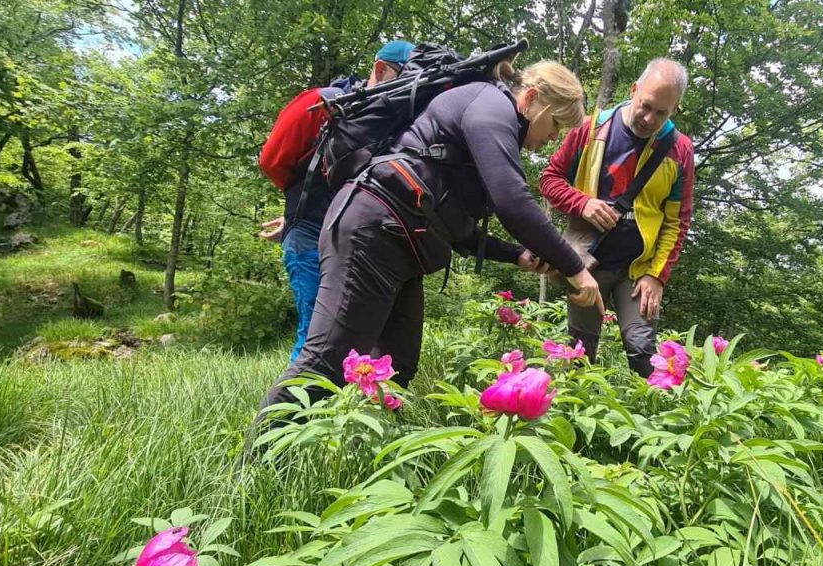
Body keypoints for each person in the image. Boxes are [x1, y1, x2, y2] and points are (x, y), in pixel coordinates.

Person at [259, 59, 604, 412]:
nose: (552, 138)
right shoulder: (489, 104)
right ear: (530, 98)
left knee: (395, 366)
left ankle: (357, 454)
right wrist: (575, 267)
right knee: (325, 362)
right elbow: (513, 202)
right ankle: (255, 461)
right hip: (372, 232)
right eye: (556, 124)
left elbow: (458, 229)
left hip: (401, 241)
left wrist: (517, 255)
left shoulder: (488, 126)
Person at [258, 40, 415, 363]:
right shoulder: (321, 102)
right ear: (380, 69)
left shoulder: (390, 124)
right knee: (315, 337)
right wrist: (298, 209)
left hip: (354, 241)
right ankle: (289, 413)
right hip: (310, 234)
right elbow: (272, 160)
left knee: (352, 341)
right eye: (401, 77)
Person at [540, 57, 695, 376]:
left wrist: (657, 275)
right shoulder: (590, 128)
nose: (649, 118)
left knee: (643, 354)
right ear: (634, 90)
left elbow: (677, 221)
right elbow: (550, 179)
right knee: (579, 354)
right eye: (645, 105)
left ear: (675, 109)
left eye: (661, 112)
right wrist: (581, 203)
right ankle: (575, 424)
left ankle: (653, 421)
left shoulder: (679, 151)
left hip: (638, 269)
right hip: (587, 260)